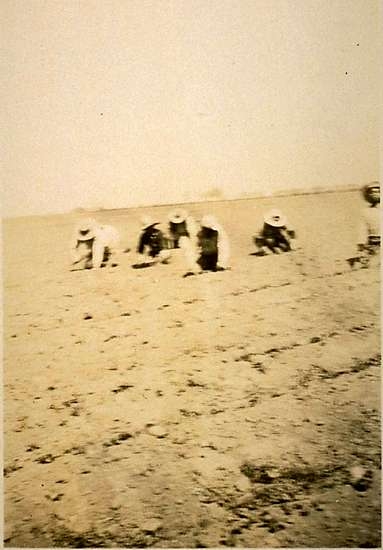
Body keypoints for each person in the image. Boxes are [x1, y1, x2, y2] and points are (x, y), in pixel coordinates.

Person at [349, 182, 380, 268]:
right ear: (368, 195)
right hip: (374, 243)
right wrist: (360, 245)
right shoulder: (365, 212)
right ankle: (359, 259)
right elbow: (362, 230)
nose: (375, 194)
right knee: (371, 264)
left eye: (378, 192)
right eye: (373, 192)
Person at [167, 209, 200, 274]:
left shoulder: (189, 223)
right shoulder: (172, 224)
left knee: (189, 252)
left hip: (187, 239)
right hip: (182, 240)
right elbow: (172, 236)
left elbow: (193, 234)